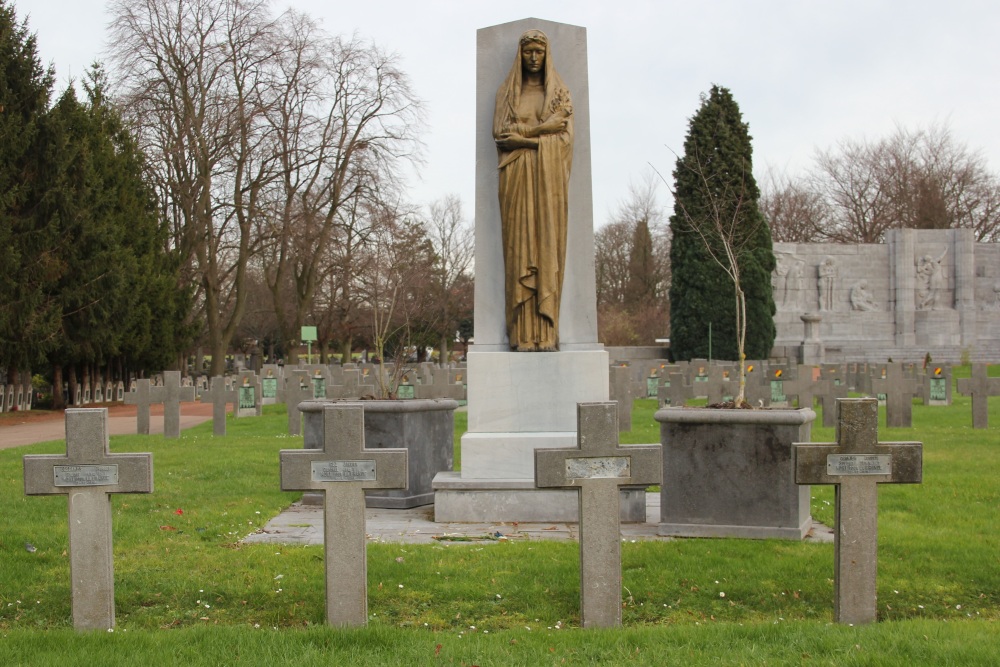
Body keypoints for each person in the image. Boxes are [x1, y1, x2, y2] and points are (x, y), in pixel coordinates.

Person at [493, 29, 573, 352]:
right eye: (529, 52)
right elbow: (502, 137)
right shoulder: (507, 94)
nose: (534, 58)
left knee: (546, 250)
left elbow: (564, 142)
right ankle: (521, 334)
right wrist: (541, 133)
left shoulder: (559, 94)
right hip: (515, 182)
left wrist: (524, 140)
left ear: (546, 53)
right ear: (520, 55)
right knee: (518, 254)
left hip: (547, 185)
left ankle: (546, 332)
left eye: (539, 52)